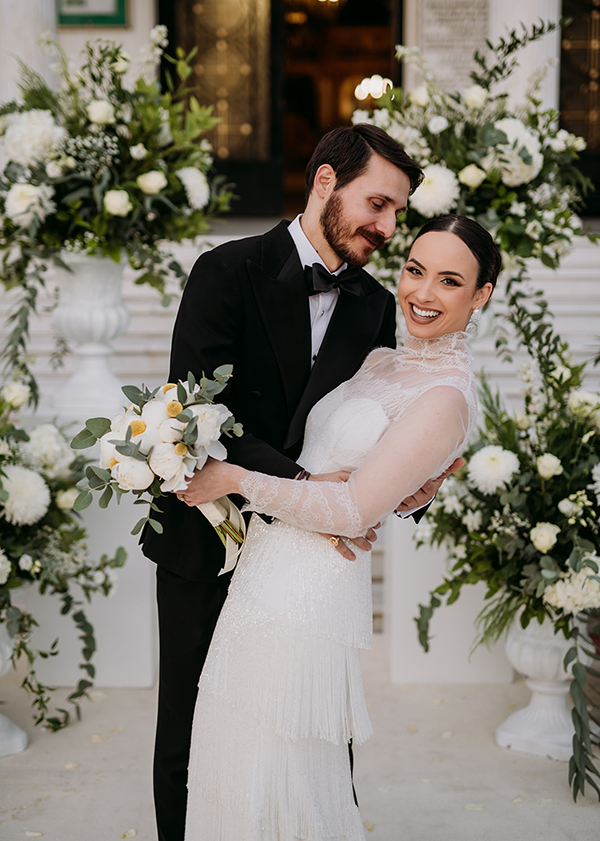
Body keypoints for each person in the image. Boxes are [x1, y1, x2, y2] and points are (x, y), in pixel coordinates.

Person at [141, 124, 457, 841]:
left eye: (397, 212)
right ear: (324, 181)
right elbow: (199, 411)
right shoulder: (226, 270)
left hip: (308, 565)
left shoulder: (375, 306)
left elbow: (376, 428)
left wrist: (411, 487)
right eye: (377, 204)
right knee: (188, 728)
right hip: (209, 534)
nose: (388, 228)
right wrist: (310, 487)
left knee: (314, 733)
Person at [179, 214, 502, 839]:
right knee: (236, 759)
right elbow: (339, 466)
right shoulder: (382, 359)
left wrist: (236, 478)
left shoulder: (446, 396)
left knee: (287, 771)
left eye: (449, 281)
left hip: (315, 586)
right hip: (266, 567)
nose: (422, 293)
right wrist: (404, 493)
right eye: (415, 270)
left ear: (480, 294)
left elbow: (353, 510)